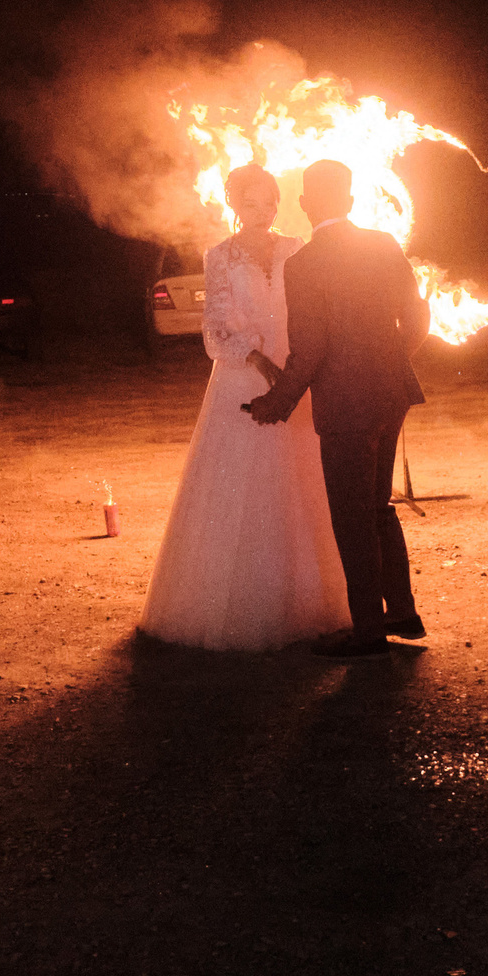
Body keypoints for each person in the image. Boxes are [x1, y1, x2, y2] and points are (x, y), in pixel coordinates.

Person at [140, 162, 352, 649]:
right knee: (243, 486)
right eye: (252, 203)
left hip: (296, 369)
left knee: (306, 482)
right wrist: (256, 358)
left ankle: (317, 600)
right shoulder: (220, 256)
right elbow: (215, 330)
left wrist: (296, 366)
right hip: (241, 375)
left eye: (271, 202)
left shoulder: (296, 248)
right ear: (235, 205)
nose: (263, 211)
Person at [244, 159, 430, 657]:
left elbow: (310, 348)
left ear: (305, 204)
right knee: (379, 506)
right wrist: (390, 363)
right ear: (349, 201)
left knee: (352, 517)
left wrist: (277, 401)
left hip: (347, 404)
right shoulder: (383, 244)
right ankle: (403, 613)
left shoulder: (303, 264)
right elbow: (417, 316)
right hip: (391, 394)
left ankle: (369, 633)